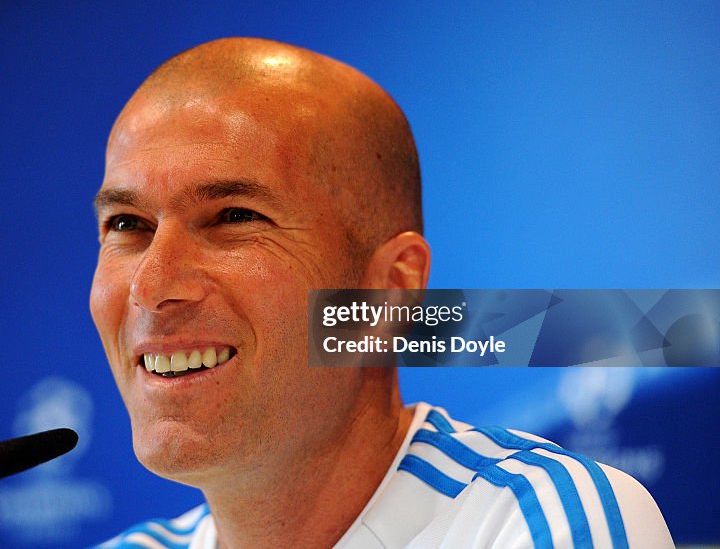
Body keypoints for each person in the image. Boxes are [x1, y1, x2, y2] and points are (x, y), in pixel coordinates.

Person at [89, 37, 672, 548]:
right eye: (126, 224)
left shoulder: (542, 522)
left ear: (390, 291)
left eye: (234, 217)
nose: (151, 285)